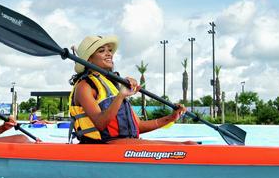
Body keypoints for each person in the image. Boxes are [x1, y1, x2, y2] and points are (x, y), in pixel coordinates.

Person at [68, 35, 197, 145]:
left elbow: (138, 126)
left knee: (190, 144)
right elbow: (101, 124)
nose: (109, 54)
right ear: (89, 59)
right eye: (102, 51)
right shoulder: (84, 86)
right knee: (188, 146)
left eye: (110, 50)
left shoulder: (113, 85)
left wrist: (171, 117)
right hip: (102, 145)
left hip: (126, 143)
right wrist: (121, 96)